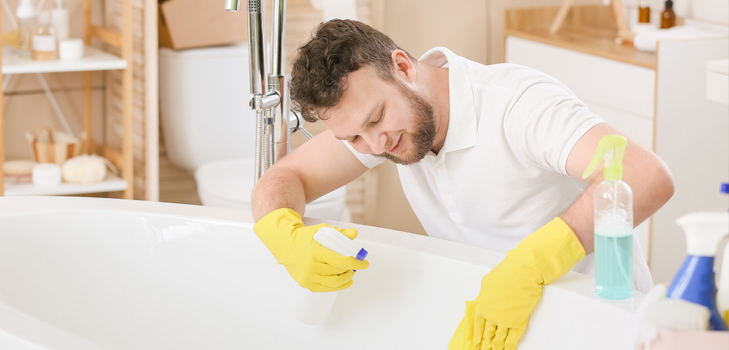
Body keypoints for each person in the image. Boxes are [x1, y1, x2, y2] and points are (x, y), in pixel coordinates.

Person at [251, 19, 674, 349]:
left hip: (598, 318)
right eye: (354, 138)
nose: (375, 145)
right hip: (500, 322)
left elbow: (645, 174)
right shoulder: (381, 130)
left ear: (403, 67)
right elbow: (285, 178)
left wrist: (533, 263)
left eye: (377, 118)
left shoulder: (516, 104)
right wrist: (282, 233)